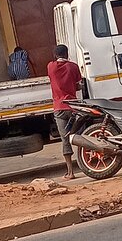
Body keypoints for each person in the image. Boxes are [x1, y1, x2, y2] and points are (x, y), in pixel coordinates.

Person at [47, 44, 82, 180]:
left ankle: (70, 172)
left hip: (60, 108)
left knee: (65, 139)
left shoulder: (51, 67)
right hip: (73, 107)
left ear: (55, 55)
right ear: (67, 54)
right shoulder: (73, 66)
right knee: (79, 136)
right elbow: (78, 85)